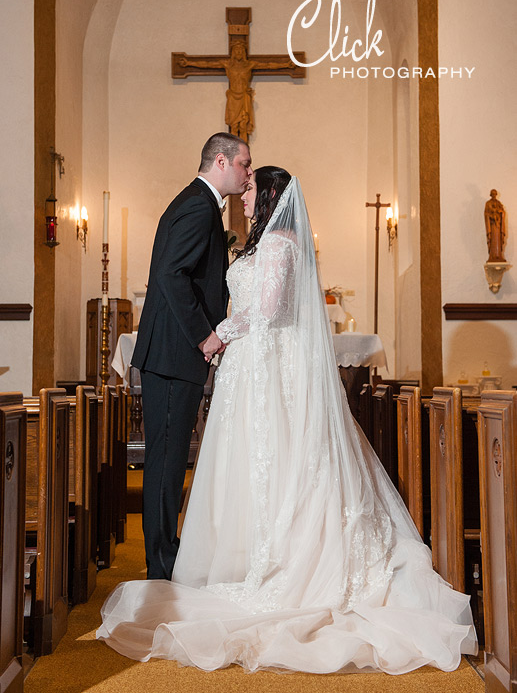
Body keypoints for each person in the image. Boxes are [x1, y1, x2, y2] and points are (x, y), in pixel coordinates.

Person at [98, 168, 477, 674]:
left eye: (253, 188)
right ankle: (240, 555)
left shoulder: (279, 242)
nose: (245, 195)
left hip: (265, 367)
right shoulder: (258, 244)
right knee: (248, 464)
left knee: (276, 459)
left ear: (272, 195)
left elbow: (272, 310)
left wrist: (220, 333)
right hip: (247, 370)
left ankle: (279, 563)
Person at [130, 132, 252, 580]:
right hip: (173, 354)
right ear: (221, 162)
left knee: (171, 457)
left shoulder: (197, 204)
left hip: (171, 354)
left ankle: (167, 553)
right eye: (244, 164)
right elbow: (170, 275)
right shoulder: (199, 207)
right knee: (165, 462)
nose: (247, 172)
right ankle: (161, 564)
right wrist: (204, 336)